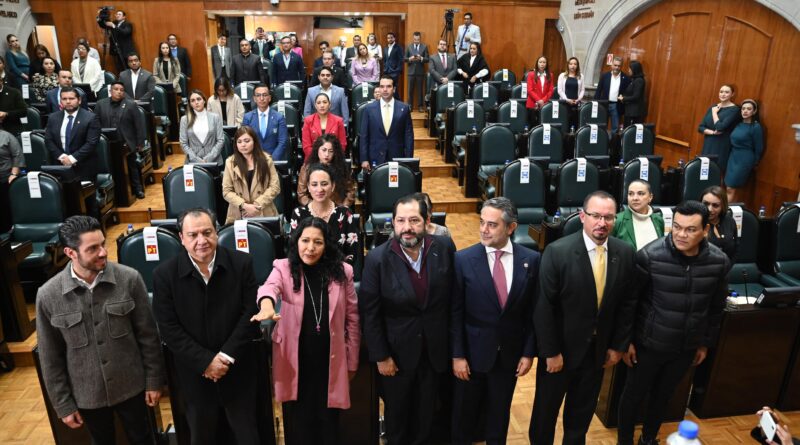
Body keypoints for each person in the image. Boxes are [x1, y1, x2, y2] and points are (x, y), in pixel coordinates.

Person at [36, 215, 165, 445]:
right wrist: (63, 404)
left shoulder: (129, 279)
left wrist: (154, 380)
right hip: (87, 395)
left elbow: (148, 336)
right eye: (93, 248)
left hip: (132, 388)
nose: (103, 252)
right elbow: (50, 358)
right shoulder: (48, 295)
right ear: (70, 253)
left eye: (102, 244)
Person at [617, 200, 731, 445]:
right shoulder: (649, 255)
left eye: (690, 229)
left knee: (663, 397)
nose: (681, 234)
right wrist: (626, 341)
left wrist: (704, 344)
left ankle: (648, 439)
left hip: (685, 347)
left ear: (705, 231)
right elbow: (630, 303)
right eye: (676, 227)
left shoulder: (718, 262)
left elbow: (715, 308)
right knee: (632, 397)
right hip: (648, 345)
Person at [531, 191, 638, 445]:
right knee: (544, 417)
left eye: (608, 217)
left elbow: (627, 305)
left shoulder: (625, 253)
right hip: (559, 354)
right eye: (596, 216)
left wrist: (617, 346)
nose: (602, 223)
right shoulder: (557, 252)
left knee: (579, 420)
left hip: (596, 355)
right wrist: (551, 352)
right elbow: (543, 307)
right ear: (582, 216)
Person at [152, 208, 261, 445]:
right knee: (202, 435)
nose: (201, 241)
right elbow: (169, 328)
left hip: (238, 369)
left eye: (207, 232)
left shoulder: (242, 263)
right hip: (194, 375)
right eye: (193, 235)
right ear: (181, 238)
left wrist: (225, 357)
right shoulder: (164, 275)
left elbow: (250, 313)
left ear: (217, 232)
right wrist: (206, 362)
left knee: (247, 434)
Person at [252, 216, 360, 445]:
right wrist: (268, 305)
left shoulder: (344, 272)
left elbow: (353, 319)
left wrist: (352, 361)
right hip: (295, 363)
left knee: (329, 426)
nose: (310, 248)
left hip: (330, 362)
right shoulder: (283, 267)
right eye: (305, 240)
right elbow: (269, 288)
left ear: (326, 245)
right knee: (299, 427)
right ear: (296, 241)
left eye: (318, 242)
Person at [359, 194, 457, 445]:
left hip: (434, 353)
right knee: (398, 420)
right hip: (396, 356)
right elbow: (370, 313)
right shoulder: (377, 259)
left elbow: (454, 303)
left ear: (427, 221)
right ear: (393, 222)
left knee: (428, 418)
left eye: (414, 220)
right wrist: (381, 356)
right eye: (401, 220)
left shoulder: (444, 248)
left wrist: (455, 351)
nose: (407, 227)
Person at [450, 198, 540, 445]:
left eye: (492, 225)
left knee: (498, 422)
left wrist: (528, 352)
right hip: (471, 358)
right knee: (463, 422)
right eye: (481, 222)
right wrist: (457, 355)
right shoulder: (463, 260)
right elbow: (455, 313)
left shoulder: (531, 260)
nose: (483, 229)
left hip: (508, 358)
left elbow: (532, 313)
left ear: (511, 228)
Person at [290, 162, 358, 260]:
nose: (319, 189)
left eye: (324, 184)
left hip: (338, 272)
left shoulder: (345, 213)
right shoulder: (298, 214)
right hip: (306, 272)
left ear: (333, 186)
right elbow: (294, 251)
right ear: (308, 187)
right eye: (314, 184)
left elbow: (352, 254)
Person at [94, 81, 147, 199]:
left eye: (121, 90)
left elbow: (138, 125)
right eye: (116, 89)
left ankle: (137, 189)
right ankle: (115, 194)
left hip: (126, 142)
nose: (119, 92)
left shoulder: (130, 104)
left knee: (132, 166)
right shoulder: (100, 104)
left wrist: (140, 143)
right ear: (110, 91)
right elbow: (96, 124)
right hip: (107, 143)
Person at [222, 125, 280, 223]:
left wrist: (256, 205)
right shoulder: (230, 162)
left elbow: (275, 187)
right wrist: (245, 206)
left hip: (263, 209)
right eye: (239, 142)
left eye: (247, 141)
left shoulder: (266, 160)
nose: (243, 145)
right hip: (239, 212)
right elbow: (226, 191)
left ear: (254, 142)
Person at [45, 87, 101, 183]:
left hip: (83, 167)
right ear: (60, 101)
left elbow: (91, 143)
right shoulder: (53, 118)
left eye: (71, 99)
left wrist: (71, 159)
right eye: (64, 99)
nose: (68, 101)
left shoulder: (91, 118)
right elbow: (48, 140)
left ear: (79, 100)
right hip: (60, 166)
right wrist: (62, 157)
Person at [359, 75, 414, 170]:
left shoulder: (404, 108)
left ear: (394, 89)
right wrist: (364, 159)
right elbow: (364, 135)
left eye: (388, 86)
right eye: (382, 86)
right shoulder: (369, 109)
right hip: (375, 157)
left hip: (397, 156)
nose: (385, 89)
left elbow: (408, 135)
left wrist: (408, 159)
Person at [297, 134, 353, 208]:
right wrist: (315, 207)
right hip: (313, 210)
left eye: (331, 151)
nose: (327, 154)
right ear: (317, 150)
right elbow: (301, 195)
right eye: (324, 150)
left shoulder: (341, 167)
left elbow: (350, 192)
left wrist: (343, 207)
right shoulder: (307, 168)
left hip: (337, 208)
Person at [725, 99, 763, 202]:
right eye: (743, 109)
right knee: (732, 189)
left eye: (749, 109)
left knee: (730, 188)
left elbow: (759, 147)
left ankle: (723, 214)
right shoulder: (738, 124)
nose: (745, 111)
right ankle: (732, 212)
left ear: (754, 112)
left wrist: (755, 163)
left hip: (745, 159)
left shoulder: (756, 127)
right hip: (733, 157)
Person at [611, 179, 664, 251]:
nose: (635, 198)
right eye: (630, 194)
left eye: (641, 193)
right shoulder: (617, 220)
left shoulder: (658, 220)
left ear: (650, 197)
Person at [698, 84, 740, 172]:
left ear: (732, 94)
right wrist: (713, 133)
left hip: (721, 145)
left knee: (716, 172)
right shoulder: (713, 107)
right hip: (708, 144)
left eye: (726, 92)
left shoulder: (734, 110)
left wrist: (714, 113)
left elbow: (720, 127)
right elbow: (700, 127)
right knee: (703, 173)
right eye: (721, 92)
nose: (723, 94)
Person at [242, 84, 289, 160]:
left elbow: (282, 142)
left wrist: (271, 160)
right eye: (258, 95)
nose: (261, 98)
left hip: (274, 161)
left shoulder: (279, 117)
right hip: (253, 160)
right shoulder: (247, 117)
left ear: (269, 98)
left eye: (264, 95)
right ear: (254, 98)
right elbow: (245, 141)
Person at [180, 89, 225, 164]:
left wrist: (208, 159)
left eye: (198, 99)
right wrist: (196, 160)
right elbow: (183, 143)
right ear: (190, 104)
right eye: (193, 100)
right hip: (193, 162)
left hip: (214, 161)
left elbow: (220, 140)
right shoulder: (184, 119)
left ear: (204, 101)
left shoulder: (215, 117)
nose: (196, 102)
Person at [302, 92, 347, 159]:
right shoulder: (308, 121)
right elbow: (306, 146)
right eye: (319, 103)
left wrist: (329, 157)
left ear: (329, 105)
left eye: (325, 102)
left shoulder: (338, 121)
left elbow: (342, 145)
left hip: (334, 160)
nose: (322, 105)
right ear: (315, 105)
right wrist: (320, 158)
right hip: (313, 160)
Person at [701, 185, 738, 261]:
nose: (710, 209)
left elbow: (736, 249)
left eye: (715, 205)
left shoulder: (730, 221)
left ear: (723, 206)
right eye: (706, 203)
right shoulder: (695, 222)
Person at [596, 56, 630, 131]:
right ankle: (602, 141)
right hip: (604, 104)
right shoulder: (605, 76)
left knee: (615, 127)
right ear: (612, 65)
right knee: (602, 126)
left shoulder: (626, 78)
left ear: (621, 66)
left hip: (616, 106)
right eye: (615, 65)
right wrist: (595, 104)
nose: (617, 67)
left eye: (619, 66)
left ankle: (612, 142)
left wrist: (623, 97)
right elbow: (598, 90)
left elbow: (628, 92)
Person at [0, 128, 23, 233]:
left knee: (5, 209)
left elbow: (17, 155)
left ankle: (8, 233)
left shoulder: (7, 136)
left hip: (6, 178)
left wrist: (14, 173)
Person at [526, 55, 555, 126]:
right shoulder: (531, 74)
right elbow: (530, 90)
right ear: (537, 63)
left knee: (543, 125)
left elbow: (551, 90)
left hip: (544, 104)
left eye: (544, 62)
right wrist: (539, 100)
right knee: (533, 125)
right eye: (540, 62)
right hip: (533, 103)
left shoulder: (550, 75)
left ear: (546, 64)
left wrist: (543, 100)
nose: (542, 64)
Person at [405, 32, 429, 112]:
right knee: (410, 91)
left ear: (420, 39)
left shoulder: (424, 47)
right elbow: (404, 59)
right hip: (411, 72)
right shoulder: (409, 46)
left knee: (420, 90)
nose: (416, 41)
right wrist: (410, 59)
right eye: (415, 39)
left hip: (420, 72)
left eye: (418, 39)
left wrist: (421, 58)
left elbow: (427, 59)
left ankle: (420, 106)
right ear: (413, 38)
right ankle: (409, 106)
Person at [618, 60, 647, 127]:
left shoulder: (639, 80)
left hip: (634, 113)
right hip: (629, 111)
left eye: (630, 69)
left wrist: (623, 98)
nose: (628, 70)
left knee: (630, 132)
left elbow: (636, 96)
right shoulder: (633, 79)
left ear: (634, 69)